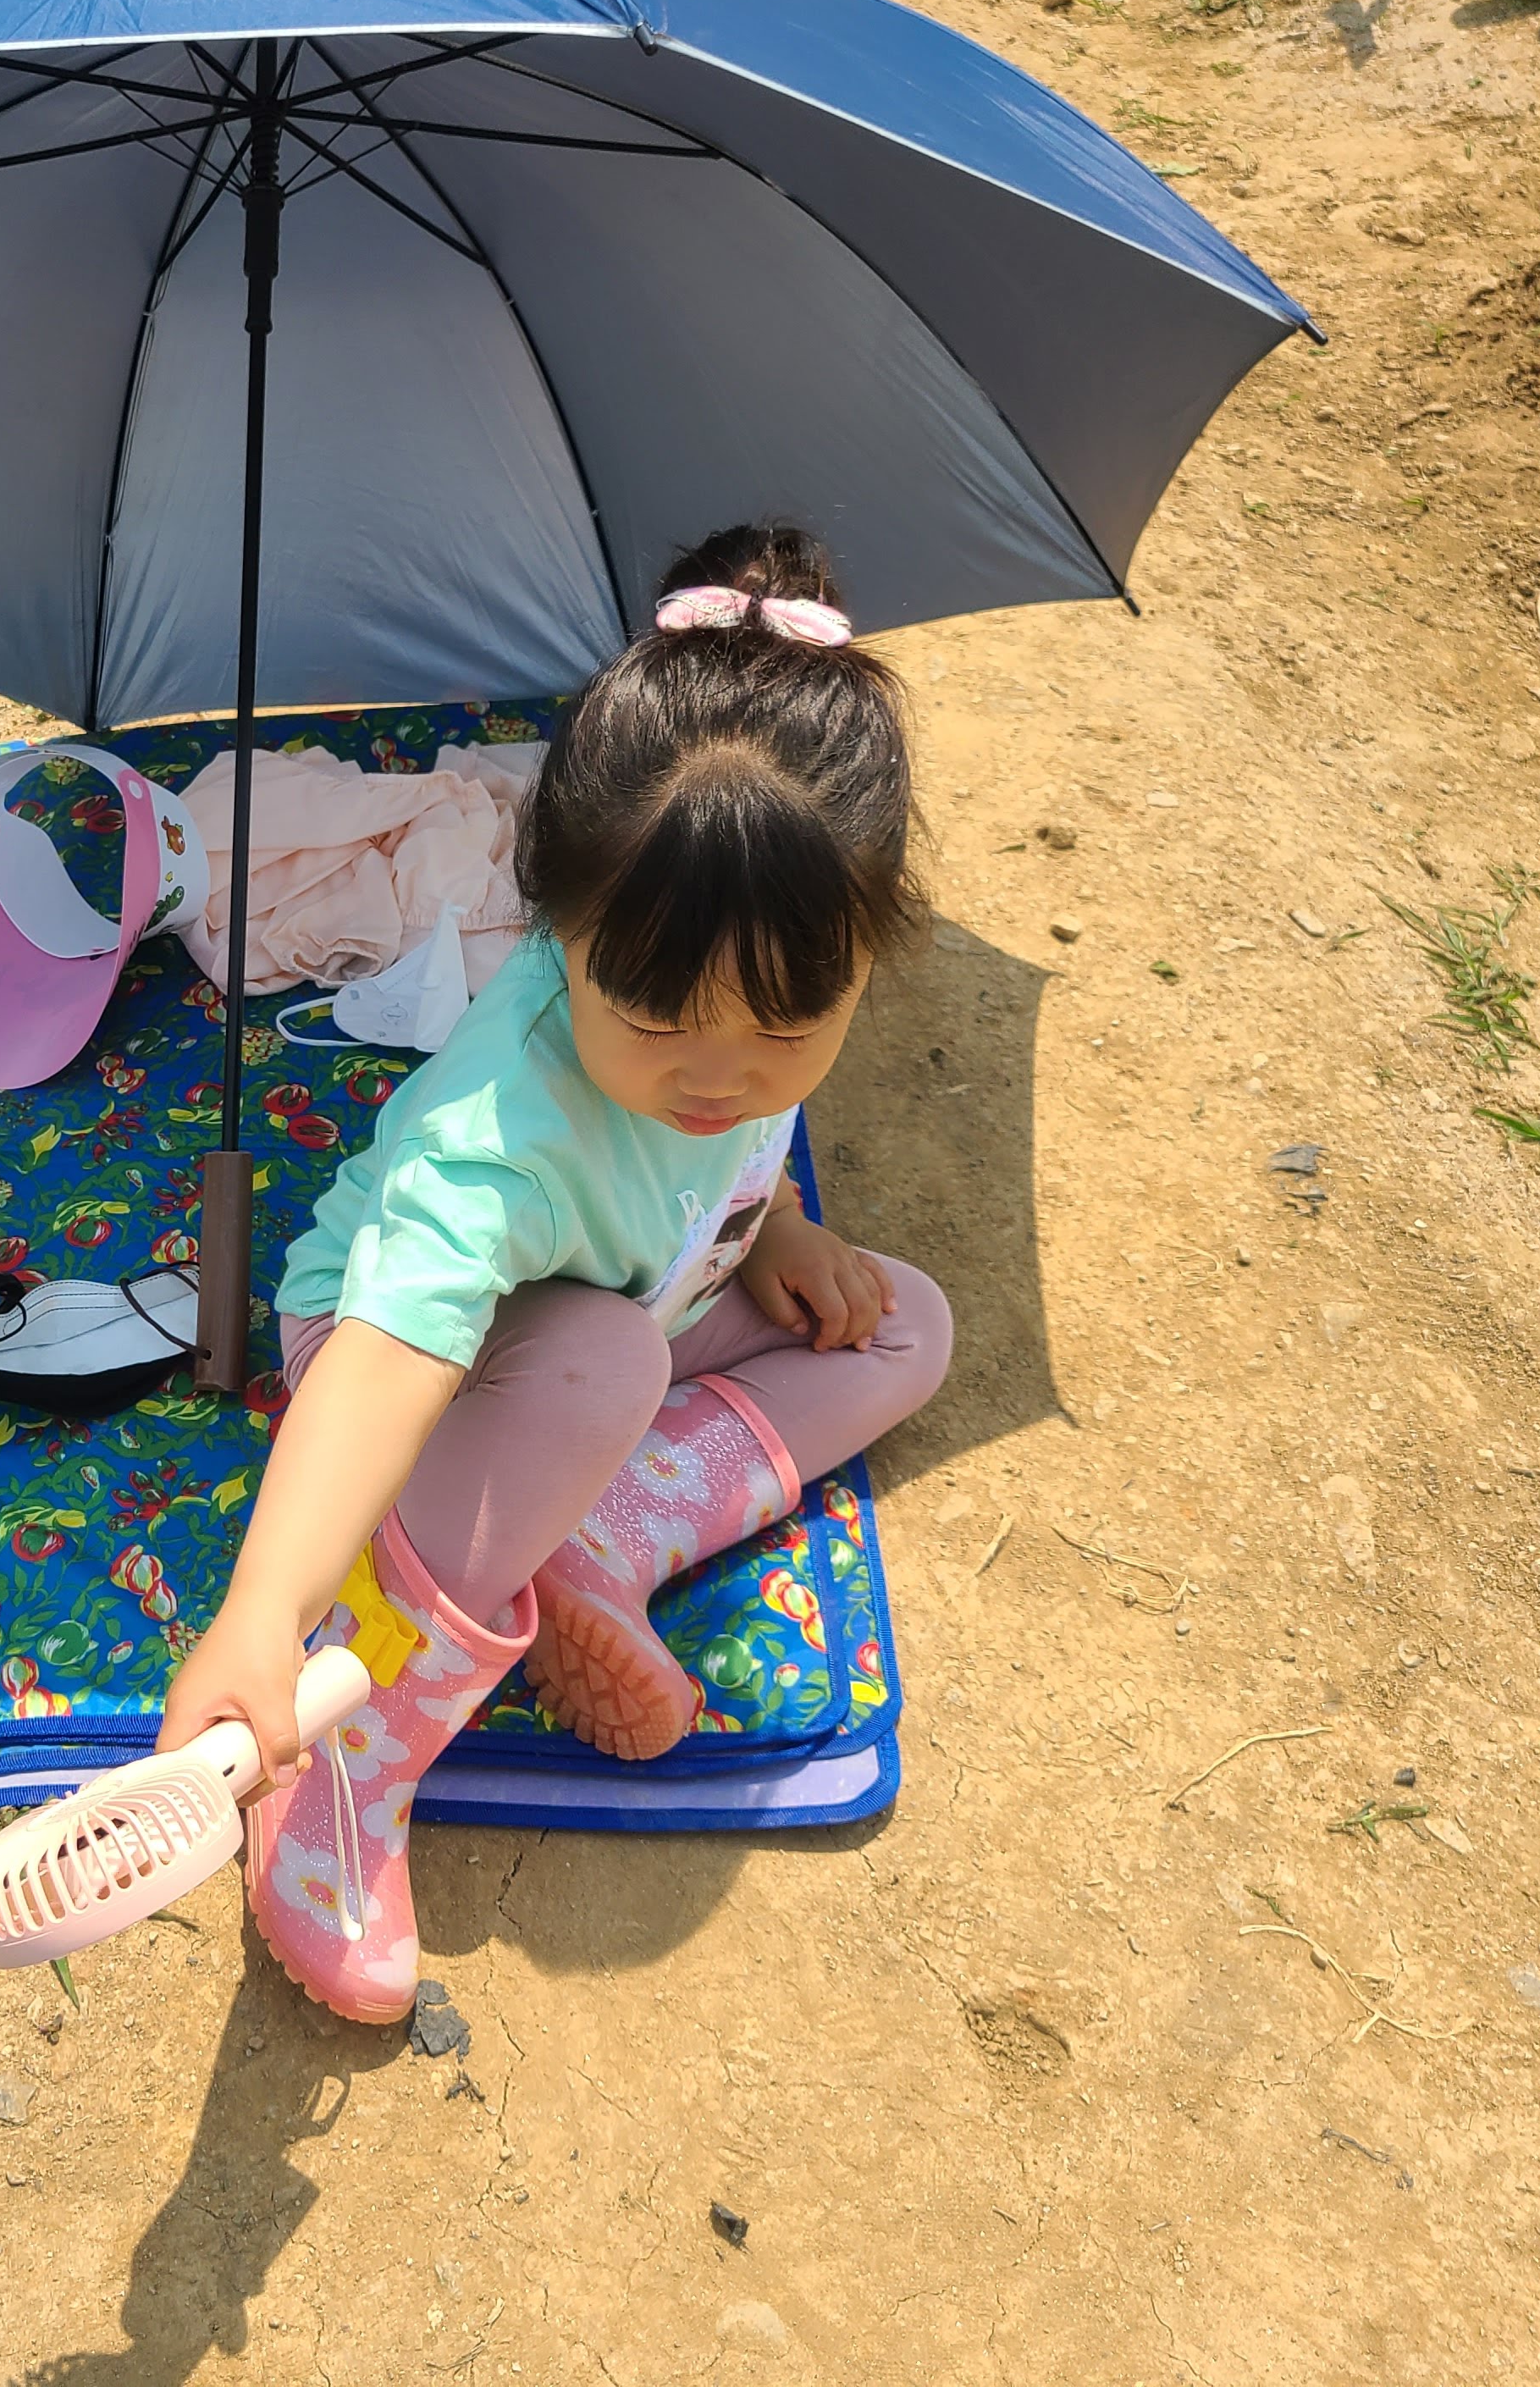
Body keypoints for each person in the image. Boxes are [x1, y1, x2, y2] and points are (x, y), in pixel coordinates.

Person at [155, 524, 954, 2025]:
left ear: (863, 954)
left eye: (788, 1027)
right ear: (556, 925)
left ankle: (602, 1535)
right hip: (410, 1359)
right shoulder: (493, 1139)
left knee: (903, 1322)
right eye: (656, 1021)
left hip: (653, 1288)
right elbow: (394, 1350)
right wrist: (266, 1609)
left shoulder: (721, 980)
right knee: (602, 1366)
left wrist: (779, 1228)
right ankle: (355, 1754)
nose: (720, 1076)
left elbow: (737, 1142)